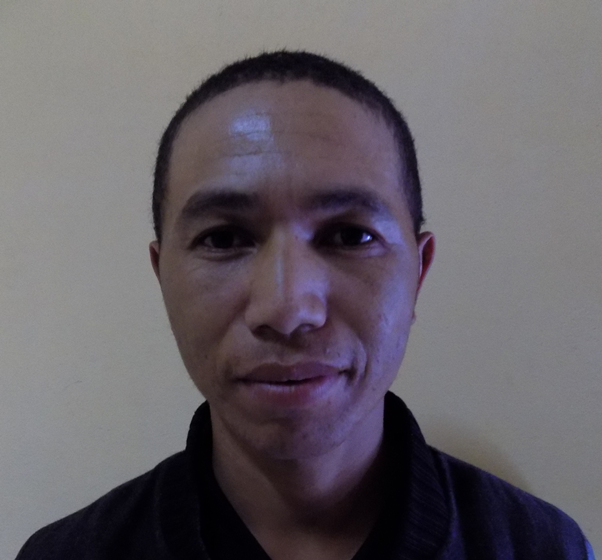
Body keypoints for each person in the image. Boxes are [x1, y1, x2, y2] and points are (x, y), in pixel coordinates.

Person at [17, 50, 595, 560]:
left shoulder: (540, 548)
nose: (288, 309)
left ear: (418, 274)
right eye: (224, 238)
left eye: (350, 235)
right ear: (161, 275)